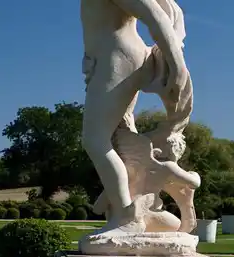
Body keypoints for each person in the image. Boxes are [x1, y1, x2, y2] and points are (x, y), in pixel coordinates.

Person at [80, 0, 193, 234]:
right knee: (120, 141)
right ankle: (139, 206)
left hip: (117, 59)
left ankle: (126, 216)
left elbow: (153, 15)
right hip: (116, 58)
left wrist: (177, 64)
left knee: (95, 141)